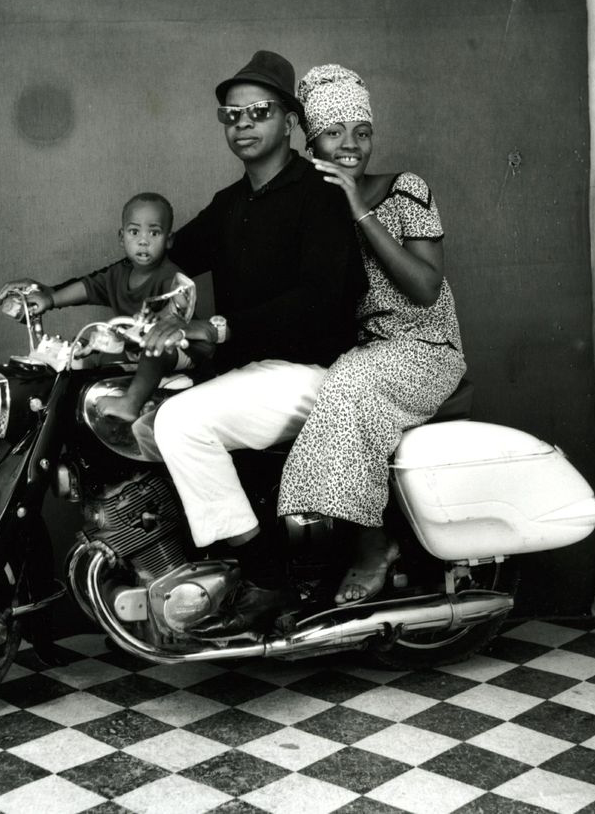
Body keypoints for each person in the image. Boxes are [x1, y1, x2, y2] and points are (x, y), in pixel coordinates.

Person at [138, 51, 366, 637]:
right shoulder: (231, 204)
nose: (242, 122)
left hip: (316, 374)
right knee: (139, 418)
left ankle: (267, 578)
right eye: (230, 114)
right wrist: (55, 295)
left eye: (259, 111)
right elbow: (161, 263)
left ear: (289, 119)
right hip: (251, 372)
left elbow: (320, 300)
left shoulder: (322, 194)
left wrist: (217, 327)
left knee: (183, 423)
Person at [277, 64, 466, 605]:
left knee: (350, 383)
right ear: (311, 140)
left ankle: (373, 547)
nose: (350, 145)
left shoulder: (406, 189)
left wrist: (360, 208)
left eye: (361, 132)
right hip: (365, 350)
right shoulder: (310, 207)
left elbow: (426, 288)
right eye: (333, 133)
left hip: (426, 347)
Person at [0, 191, 197, 422]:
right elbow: (88, 287)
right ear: (122, 237)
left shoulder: (170, 276)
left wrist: (157, 319)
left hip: (178, 348)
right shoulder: (119, 273)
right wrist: (50, 300)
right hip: (134, 346)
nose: (143, 240)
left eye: (154, 232)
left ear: (169, 240)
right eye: (134, 232)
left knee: (157, 348)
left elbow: (178, 310)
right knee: (88, 344)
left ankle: (130, 403)